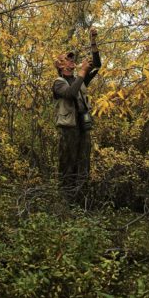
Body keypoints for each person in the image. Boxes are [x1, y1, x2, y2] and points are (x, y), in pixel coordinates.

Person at [53, 28, 101, 201]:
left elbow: (97, 64)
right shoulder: (58, 83)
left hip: (83, 126)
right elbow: (70, 93)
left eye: (72, 58)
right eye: (67, 58)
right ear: (60, 66)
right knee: (68, 163)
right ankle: (65, 201)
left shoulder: (79, 79)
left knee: (83, 162)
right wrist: (81, 72)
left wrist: (93, 42)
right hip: (69, 129)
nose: (72, 60)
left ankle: (82, 199)